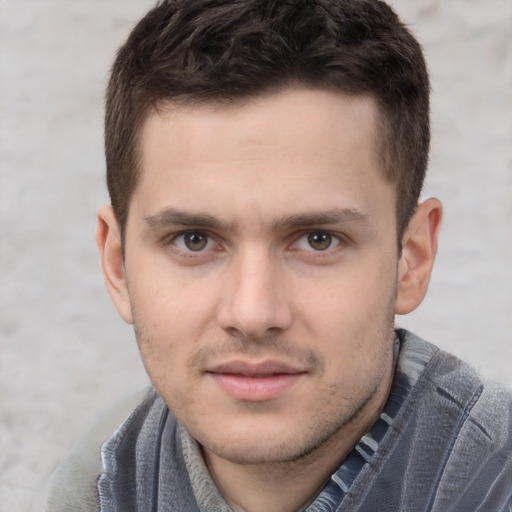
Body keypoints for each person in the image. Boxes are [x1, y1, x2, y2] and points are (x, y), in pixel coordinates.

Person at [45, 0, 512, 510]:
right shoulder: (103, 478)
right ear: (118, 266)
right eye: (194, 239)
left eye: (318, 239)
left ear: (412, 259)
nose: (253, 313)